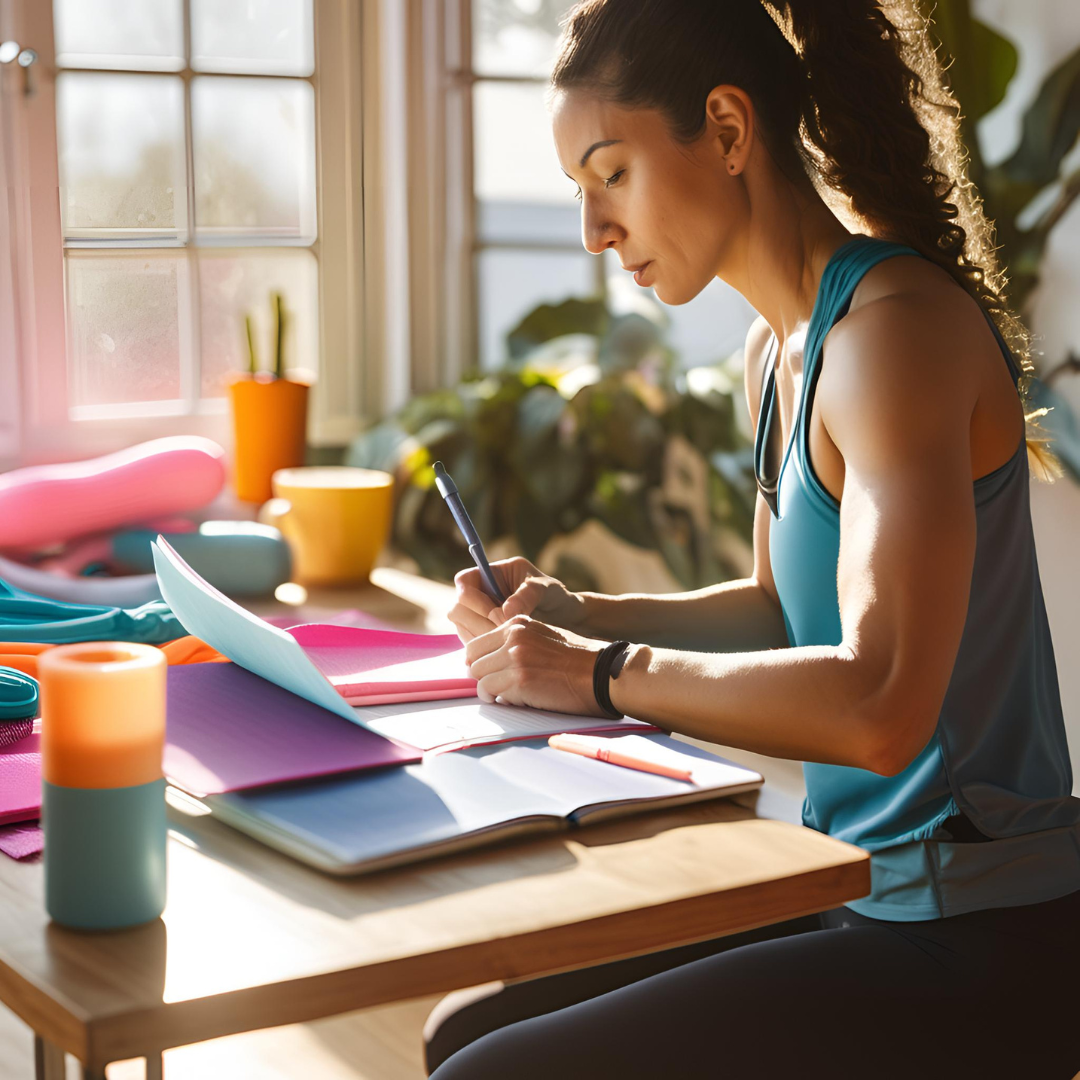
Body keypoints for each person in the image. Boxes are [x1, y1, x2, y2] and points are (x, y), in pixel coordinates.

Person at [427, 1, 1080, 1076]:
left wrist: (598, 675)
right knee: (470, 1030)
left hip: (974, 932)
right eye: (580, 192)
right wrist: (573, 612)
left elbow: (878, 705)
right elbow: (780, 608)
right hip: (852, 881)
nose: (595, 231)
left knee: (483, 1072)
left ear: (728, 132)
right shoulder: (780, 354)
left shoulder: (891, 337)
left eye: (612, 175)